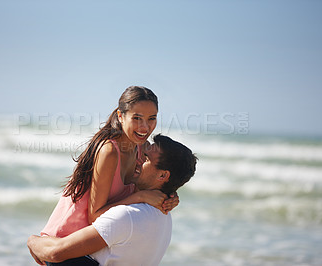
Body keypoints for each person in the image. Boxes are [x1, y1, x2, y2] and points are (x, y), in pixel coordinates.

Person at [28, 134, 198, 266]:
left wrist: (32, 241)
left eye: (146, 158)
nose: (138, 160)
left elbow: (55, 253)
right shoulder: (165, 218)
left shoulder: (127, 216)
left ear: (163, 175)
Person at [40, 87, 179, 245]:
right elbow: (95, 216)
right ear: (121, 116)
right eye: (137, 118)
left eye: (151, 118)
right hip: (64, 240)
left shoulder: (142, 148)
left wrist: (170, 196)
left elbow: (155, 177)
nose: (145, 127)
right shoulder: (109, 152)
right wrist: (140, 197)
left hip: (89, 243)